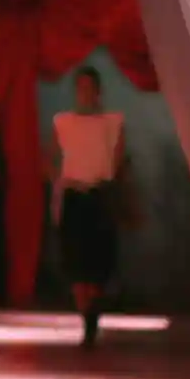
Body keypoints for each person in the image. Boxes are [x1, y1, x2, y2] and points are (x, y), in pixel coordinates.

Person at [45, 67, 127, 348]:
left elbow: (118, 159)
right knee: (76, 262)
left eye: (89, 87)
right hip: (74, 195)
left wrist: (109, 184)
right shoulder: (63, 122)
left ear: (98, 90)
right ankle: (87, 319)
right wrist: (60, 184)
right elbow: (51, 157)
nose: (85, 93)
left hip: (99, 195)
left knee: (98, 262)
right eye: (80, 87)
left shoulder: (112, 122)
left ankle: (92, 315)